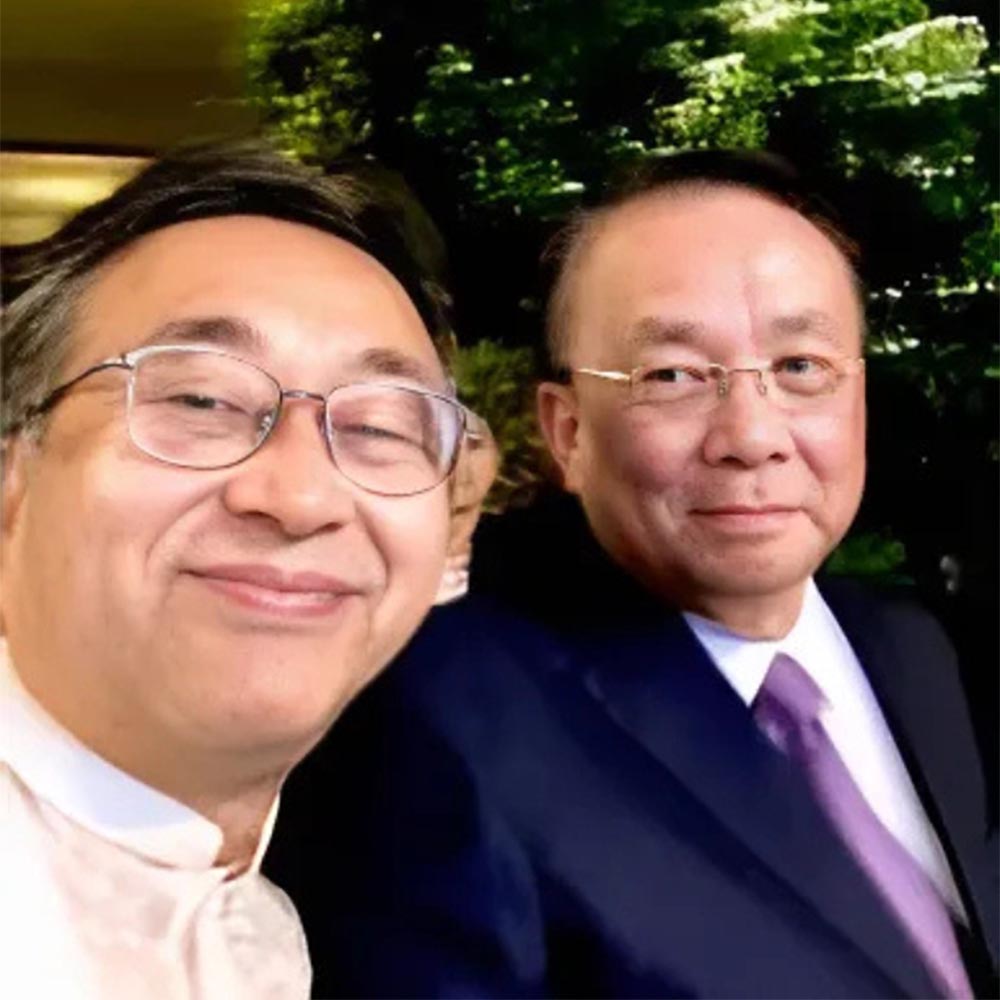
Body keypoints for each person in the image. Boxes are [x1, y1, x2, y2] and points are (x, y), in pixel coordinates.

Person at [267, 151, 998, 998]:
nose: (752, 436)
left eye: (801, 367)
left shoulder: (916, 647)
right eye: (672, 375)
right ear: (568, 432)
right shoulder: (437, 722)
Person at [0, 142, 492, 999]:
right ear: (14, 475)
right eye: (202, 400)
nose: (301, 496)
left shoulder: (300, 926)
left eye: (379, 427)